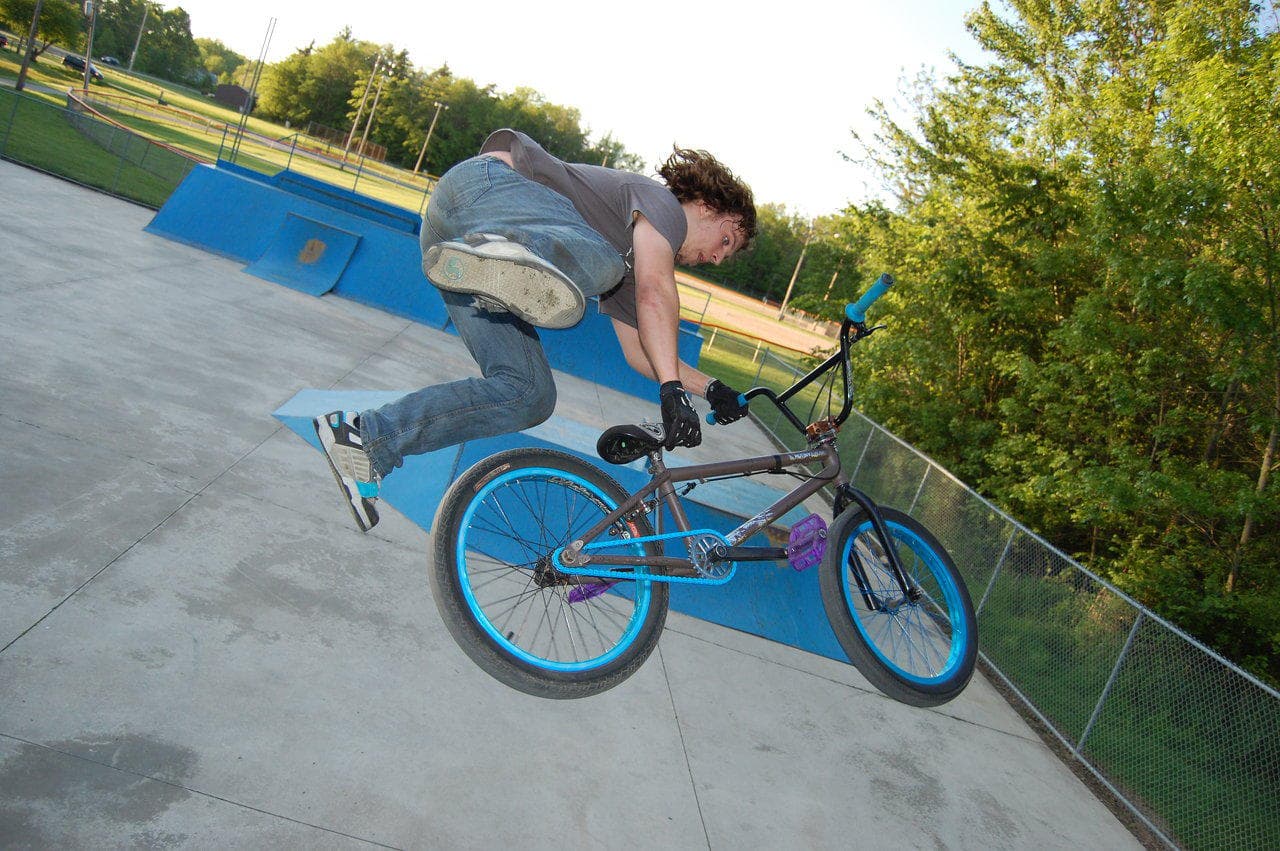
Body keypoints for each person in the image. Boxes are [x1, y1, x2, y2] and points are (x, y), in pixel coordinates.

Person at [314, 128, 757, 531]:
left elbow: (642, 351)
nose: (717, 259)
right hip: (484, 192)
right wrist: (672, 393)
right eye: (725, 241)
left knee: (529, 393)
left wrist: (710, 387)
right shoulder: (661, 206)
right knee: (602, 265)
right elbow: (656, 293)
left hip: (448, 247)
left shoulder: (625, 265)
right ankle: (506, 247)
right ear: (707, 206)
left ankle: (369, 437)